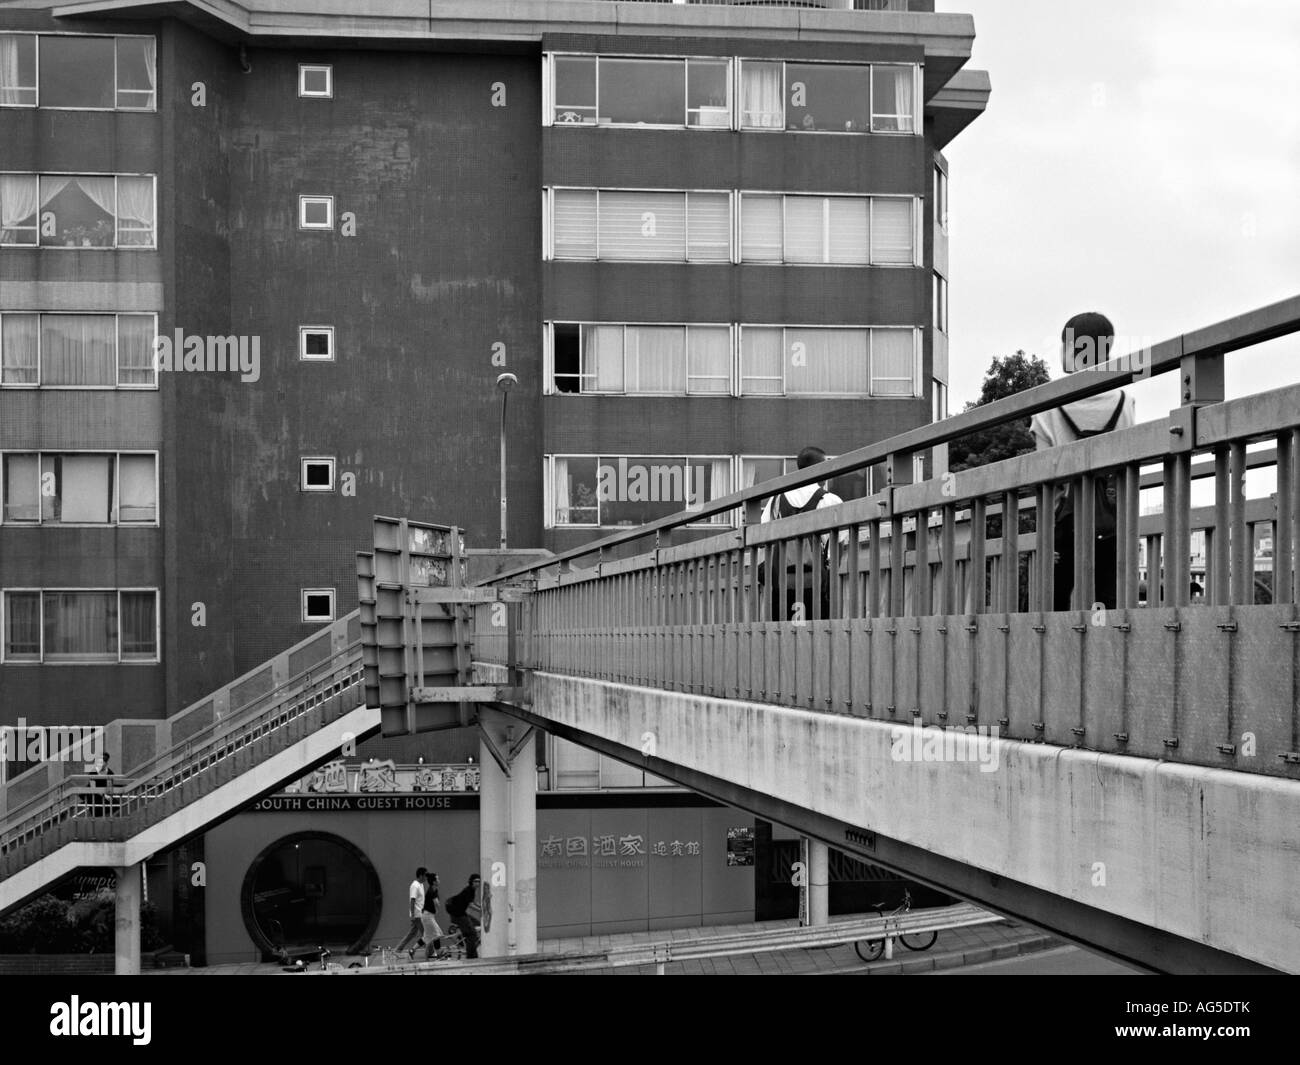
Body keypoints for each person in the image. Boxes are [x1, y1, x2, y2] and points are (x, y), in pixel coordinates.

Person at [1030, 312, 1136, 610]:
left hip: (1066, 523)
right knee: (1108, 605)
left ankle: (1059, 656)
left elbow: (1044, 482)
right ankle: (1104, 654)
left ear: (1070, 348)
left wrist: (1045, 535)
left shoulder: (1046, 408)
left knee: (1055, 605)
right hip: (1112, 522)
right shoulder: (1125, 402)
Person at [758, 447, 844, 622]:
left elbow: (762, 538)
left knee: (782, 637)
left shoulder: (776, 500)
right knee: (818, 636)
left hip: (781, 583)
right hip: (817, 584)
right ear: (818, 468)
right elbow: (839, 543)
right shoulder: (829, 500)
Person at [444, 873, 482, 959]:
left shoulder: (472, 890)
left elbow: (474, 902)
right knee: (471, 934)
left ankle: (472, 953)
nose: (478, 883)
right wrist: (481, 911)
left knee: (476, 925)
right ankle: (471, 956)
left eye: (479, 882)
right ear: (471, 882)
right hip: (457, 914)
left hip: (460, 913)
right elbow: (470, 904)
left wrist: (481, 906)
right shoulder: (468, 890)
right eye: (476, 881)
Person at [395, 867, 426, 959]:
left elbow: (420, 900)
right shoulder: (415, 885)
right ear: (420, 875)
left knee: (412, 933)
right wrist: (412, 915)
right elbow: (412, 900)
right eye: (425, 875)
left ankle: (397, 950)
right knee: (427, 934)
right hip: (417, 915)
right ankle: (431, 953)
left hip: (420, 913)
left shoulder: (421, 885)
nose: (426, 878)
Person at [419, 870, 445, 959]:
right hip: (427, 916)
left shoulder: (434, 889)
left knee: (427, 937)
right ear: (434, 882)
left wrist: (436, 909)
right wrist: (438, 907)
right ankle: (439, 953)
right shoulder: (431, 891)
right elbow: (437, 903)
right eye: (437, 879)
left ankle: (412, 950)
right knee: (437, 934)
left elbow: (436, 903)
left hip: (429, 916)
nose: (439, 880)